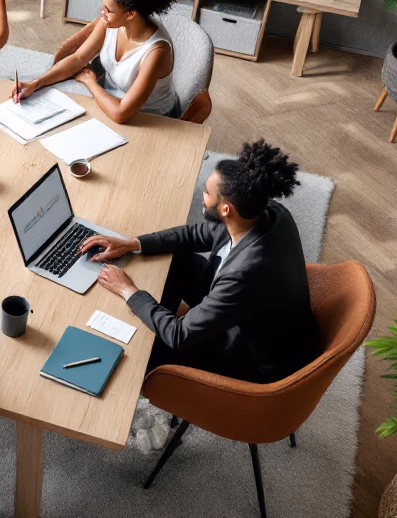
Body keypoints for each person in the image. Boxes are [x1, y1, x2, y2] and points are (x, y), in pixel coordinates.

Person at [82, 139, 319, 383]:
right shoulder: (265, 212)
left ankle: (148, 371)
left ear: (226, 210)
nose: (202, 197)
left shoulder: (244, 274)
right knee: (179, 261)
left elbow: (179, 335)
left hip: (252, 357)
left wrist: (128, 290)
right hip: (257, 310)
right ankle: (157, 317)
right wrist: (130, 243)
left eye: (207, 192)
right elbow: (197, 235)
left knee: (148, 352)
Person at [12, 0, 179, 122]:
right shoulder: (109, 23)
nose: (102, 13)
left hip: (149, 119)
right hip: (109, 99)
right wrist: (35, 84)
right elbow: (79, 58)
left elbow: (121, 114)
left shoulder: (157, 52)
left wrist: (90, 82)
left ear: (131, 14)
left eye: (108, 10)